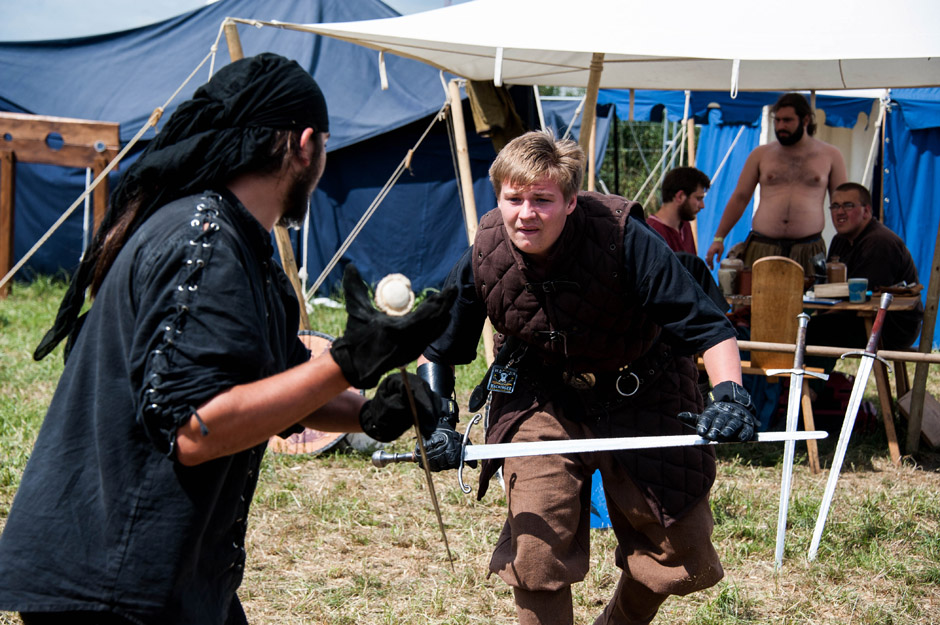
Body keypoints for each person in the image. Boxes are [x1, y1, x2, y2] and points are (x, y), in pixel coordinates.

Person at [0, 53, 455, 625]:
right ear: (304, 143)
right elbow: (194, 427)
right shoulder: (207, 240)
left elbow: (278, 391)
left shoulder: (239, 244)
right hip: (114, 583)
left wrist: (367, 413)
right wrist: (346, 361)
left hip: (173, 578)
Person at [414, 131, 759, 625]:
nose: (525, 213)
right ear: (498, 198)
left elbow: (708, 325)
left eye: (542, 200)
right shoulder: (487, 250)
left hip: (644, 388)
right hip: (543, 397)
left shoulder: (624, 238)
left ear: (571, 200)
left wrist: (731, 397)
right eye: (513, 199)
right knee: (534, 554)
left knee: (680, 552)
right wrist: (439, 420)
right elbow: (440, 345)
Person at [705, 93, 847, 279]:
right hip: (763, 246)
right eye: (777, 120)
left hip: (810, 249)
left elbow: (843, 203)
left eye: (787, 120)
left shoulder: (830, 155)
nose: (781, 126)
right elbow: (740, 197)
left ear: (805, 120)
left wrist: (848, 242)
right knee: (755, 305)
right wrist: (719, 238)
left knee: (812, 304)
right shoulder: (761, 154)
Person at [806, 182, 922, 350]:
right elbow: (832, 288)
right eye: (835, 206)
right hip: (857, 317)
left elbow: (864, 296)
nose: (840, 213)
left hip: (891, 326)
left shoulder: (880, 242)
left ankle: (812, 376)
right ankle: (821, 376)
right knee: (801, 327)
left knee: (808, 332)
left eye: (848, 206)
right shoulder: (840, 240)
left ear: (866, 211)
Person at [647, 166, 711, 255]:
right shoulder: (651, 233)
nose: (702, 205)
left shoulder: (685, 227)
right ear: (680, 196)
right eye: (698, 198)